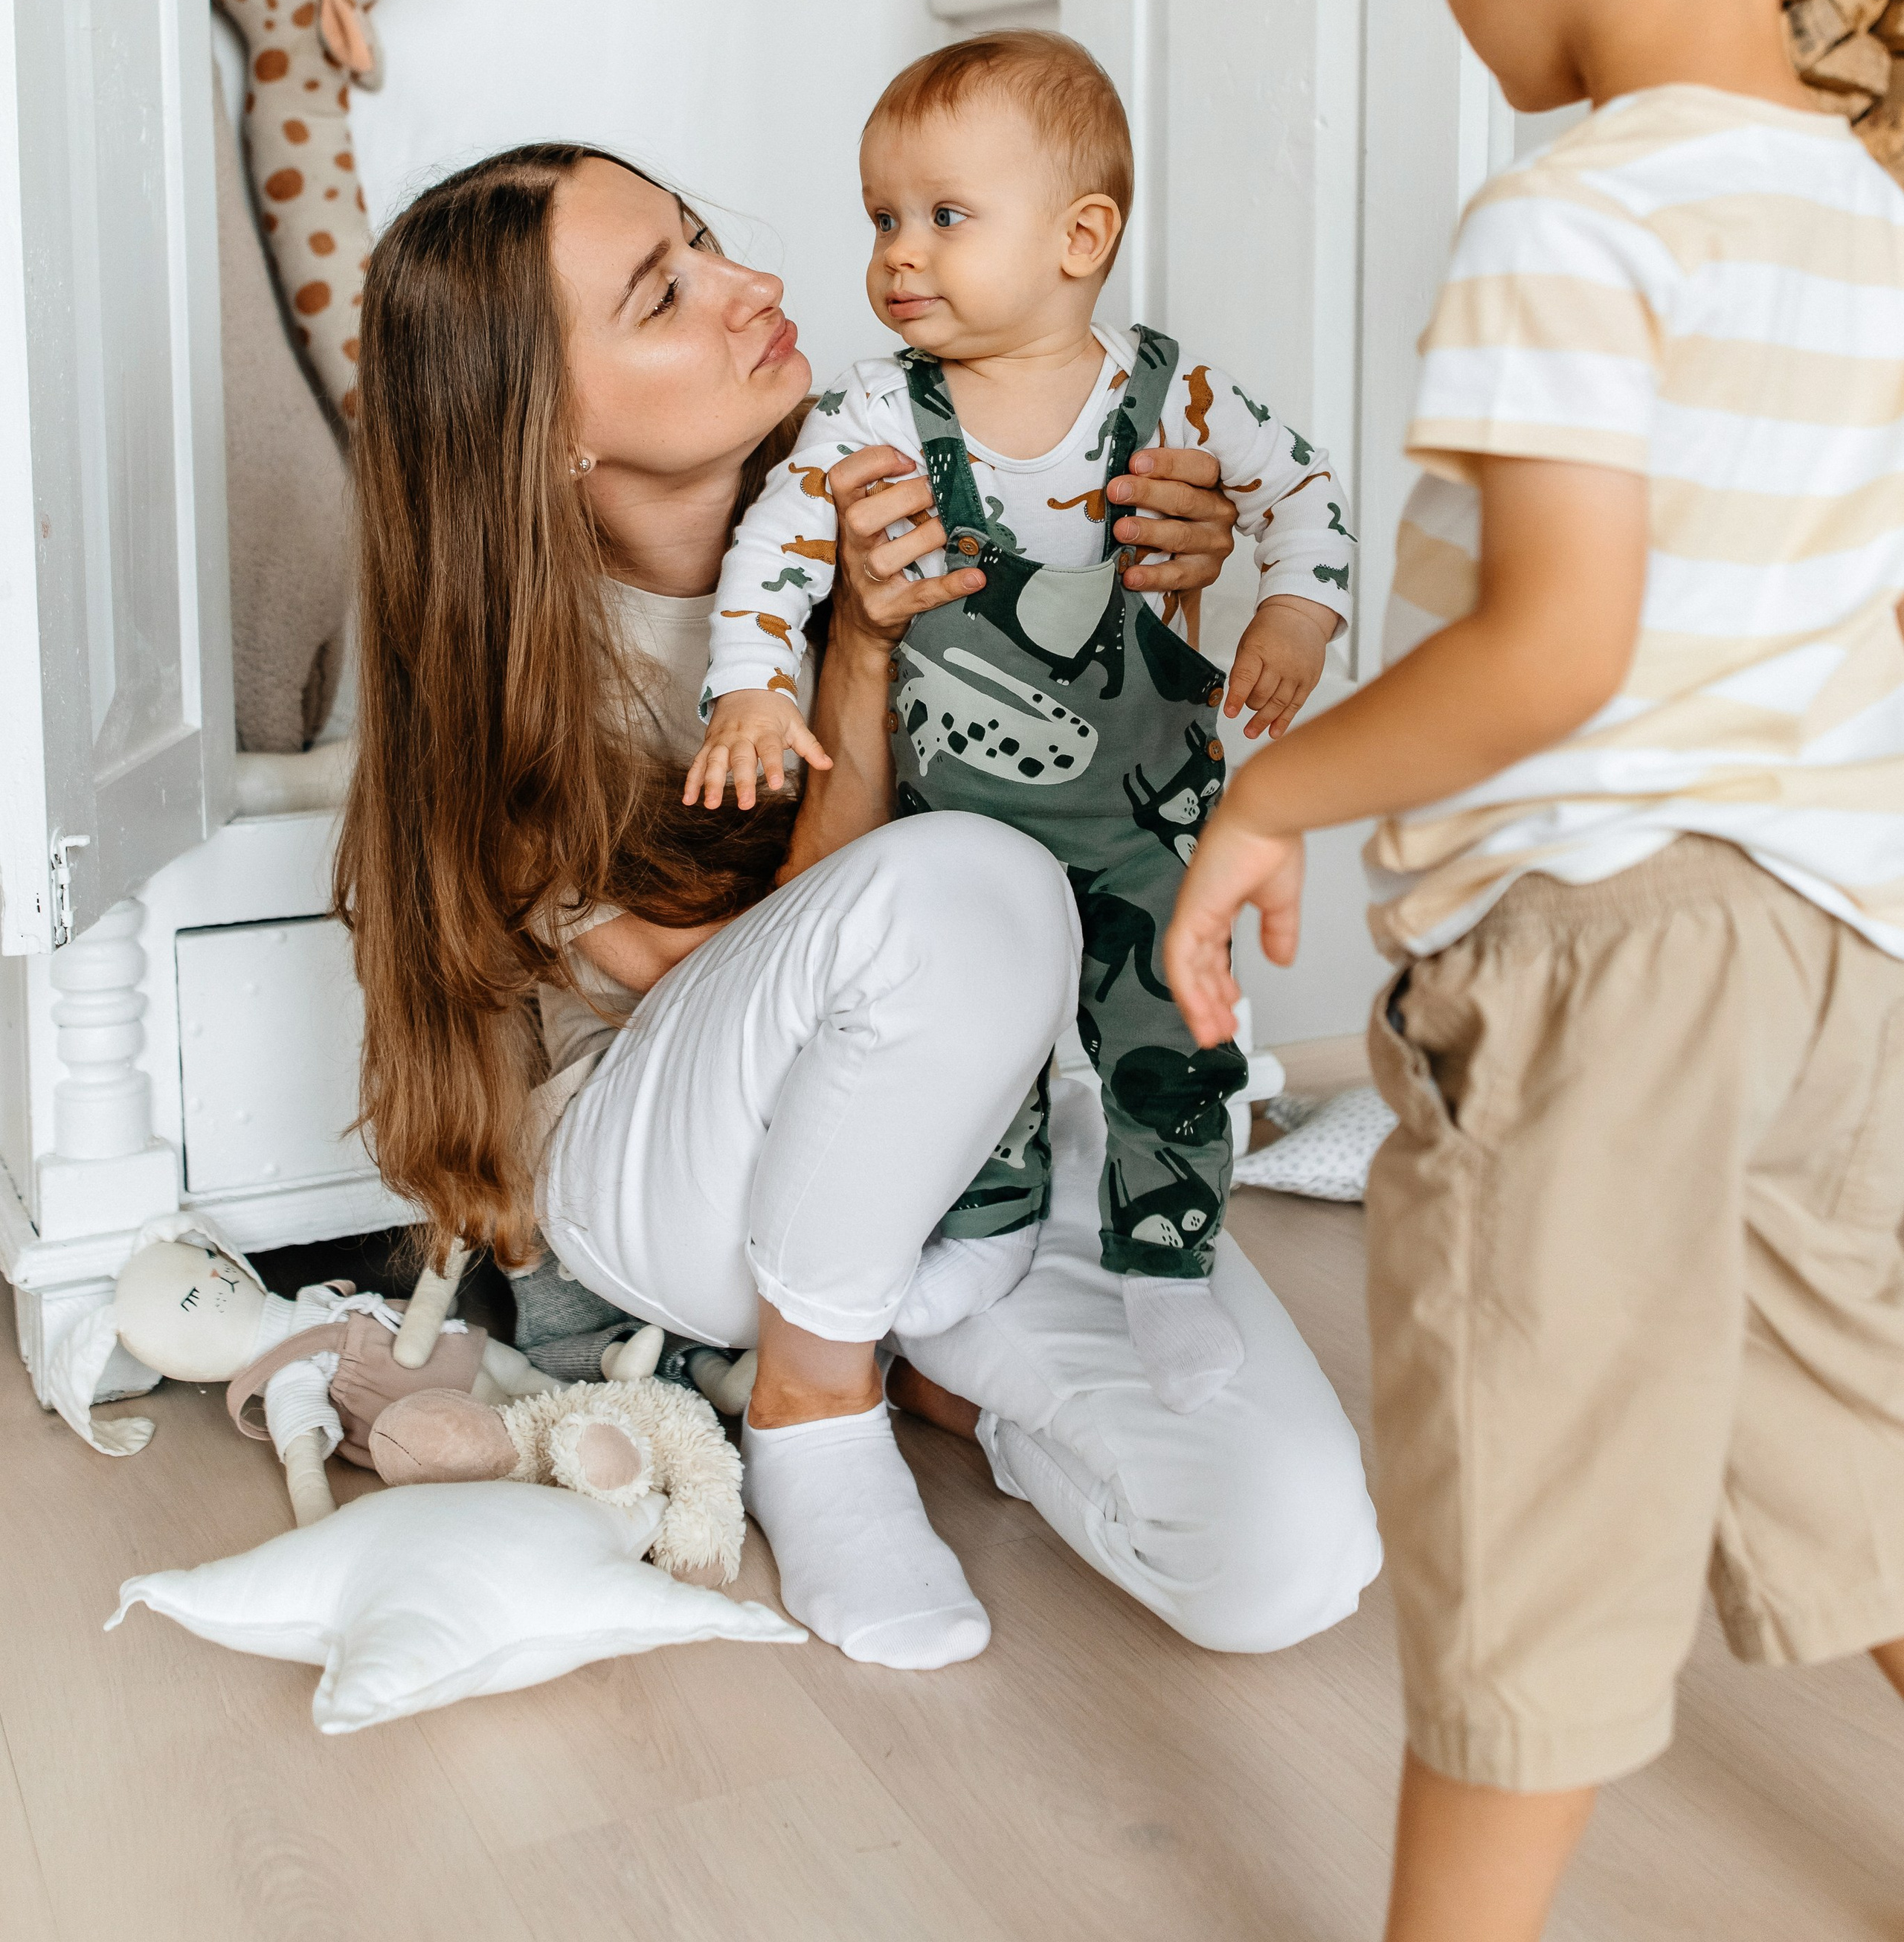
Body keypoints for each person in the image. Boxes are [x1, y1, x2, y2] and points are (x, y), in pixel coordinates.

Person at [1163, 0, 1904, 1939]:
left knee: (1530, 1502)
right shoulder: (1864, 216)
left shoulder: (1565, 224)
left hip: (1602, 950)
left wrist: (1273, 782)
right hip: (1847, 952)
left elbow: (1556, 646)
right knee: (1861, 1453)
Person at [337, 141, 1378, 1673]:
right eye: (663, 293)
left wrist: (1162, 590)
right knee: (972, 879)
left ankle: (926, 1375)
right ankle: (813, 1409)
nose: (751, 283)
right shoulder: (507, 682)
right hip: (676, 1184)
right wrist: (861, 658)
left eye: (706, 239)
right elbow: (788, 960)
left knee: (1282, 1558)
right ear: (545, 429)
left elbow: (1106, 799)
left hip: (956, 1149)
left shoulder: (891, 476)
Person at [690, 33, 1351, 1413]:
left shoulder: (1178, 401)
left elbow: (1306, 501)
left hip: (1149, 817)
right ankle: (979, 1230)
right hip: (957, 833)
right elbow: (774, 555)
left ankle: (1166, 1264)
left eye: (943, 217)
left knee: (1169, 1035)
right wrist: (752, 684)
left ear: (1080, 236)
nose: (897, 256)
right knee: (966, 1044)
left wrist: (1294, 615)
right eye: (881, 220)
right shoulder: (874, 410)